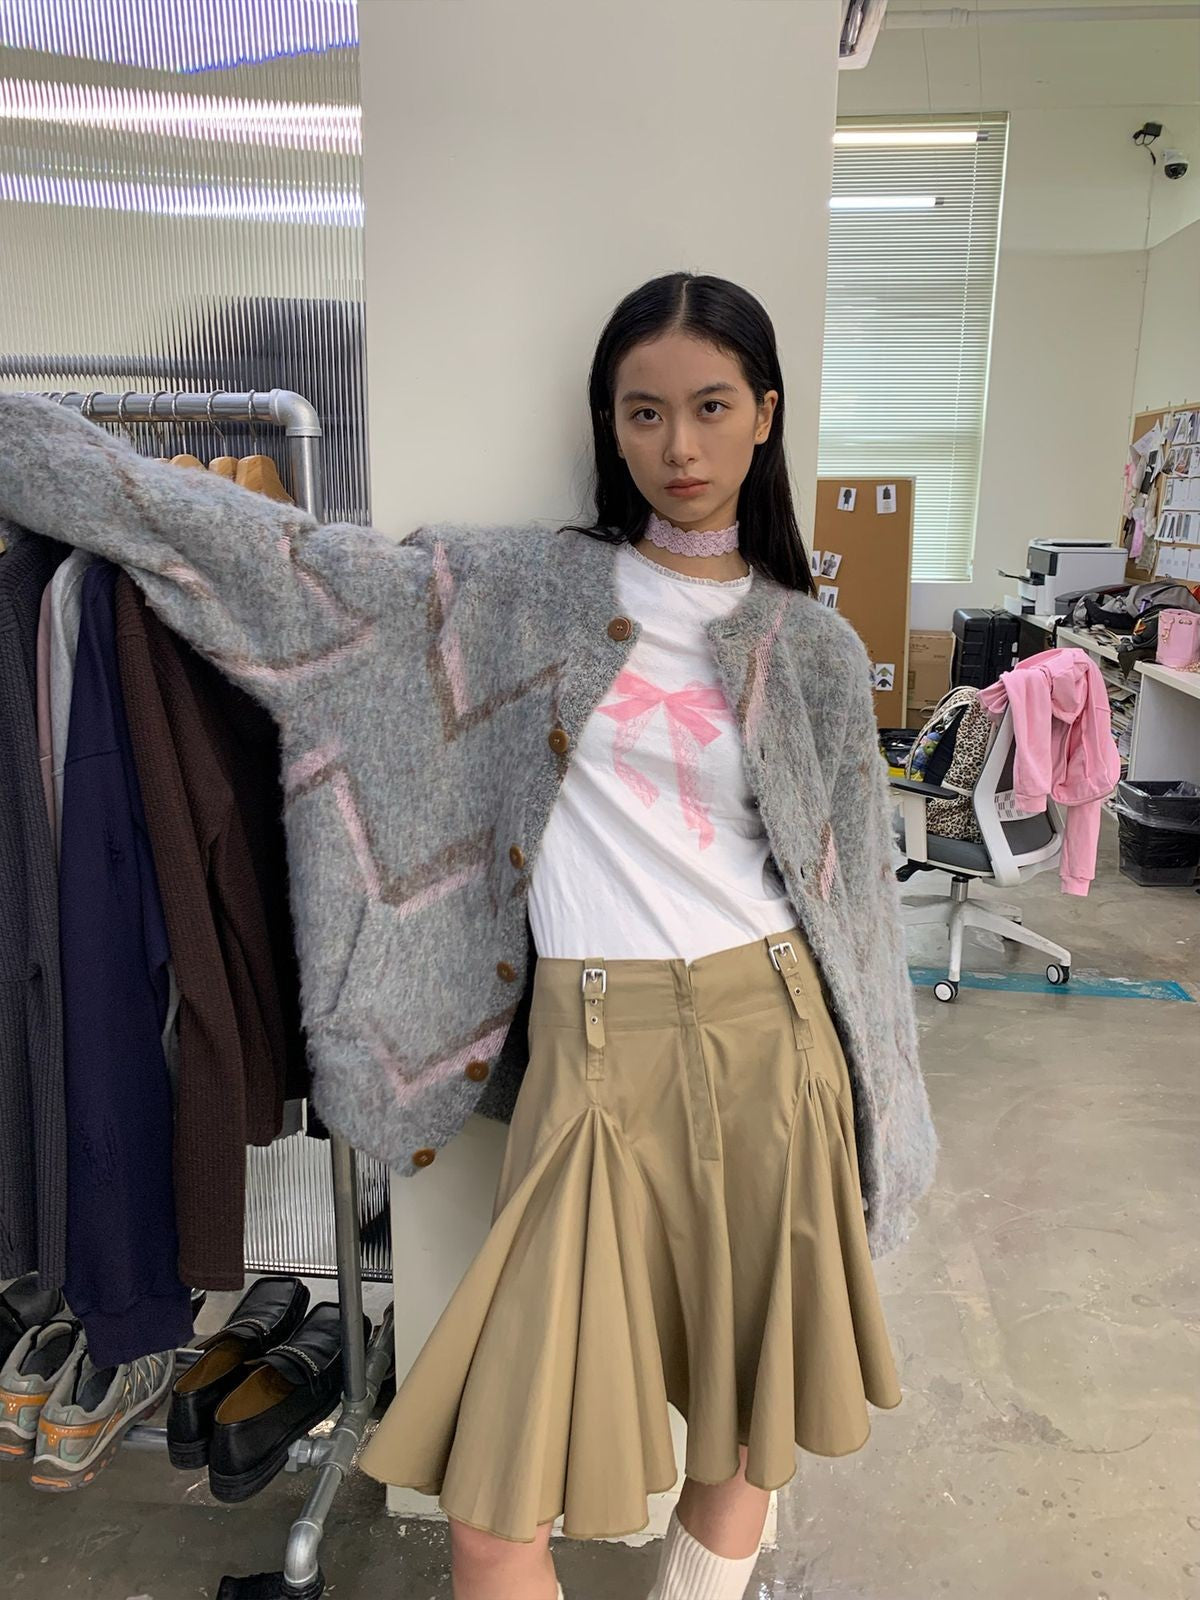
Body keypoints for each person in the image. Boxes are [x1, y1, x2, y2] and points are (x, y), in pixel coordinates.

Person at [0, 272, 937, 1600]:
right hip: (594, 1063)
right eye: (646, 412)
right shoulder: (505, 595)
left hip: (779, 1046)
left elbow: (857, 916)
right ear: (610, 426)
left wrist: (888, 1121)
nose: (680, 446)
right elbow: (261, 557)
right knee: (496, 1518)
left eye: (713, 406)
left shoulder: (815, 648)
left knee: (747, 1421)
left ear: (764, 415)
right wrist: (34, 452)